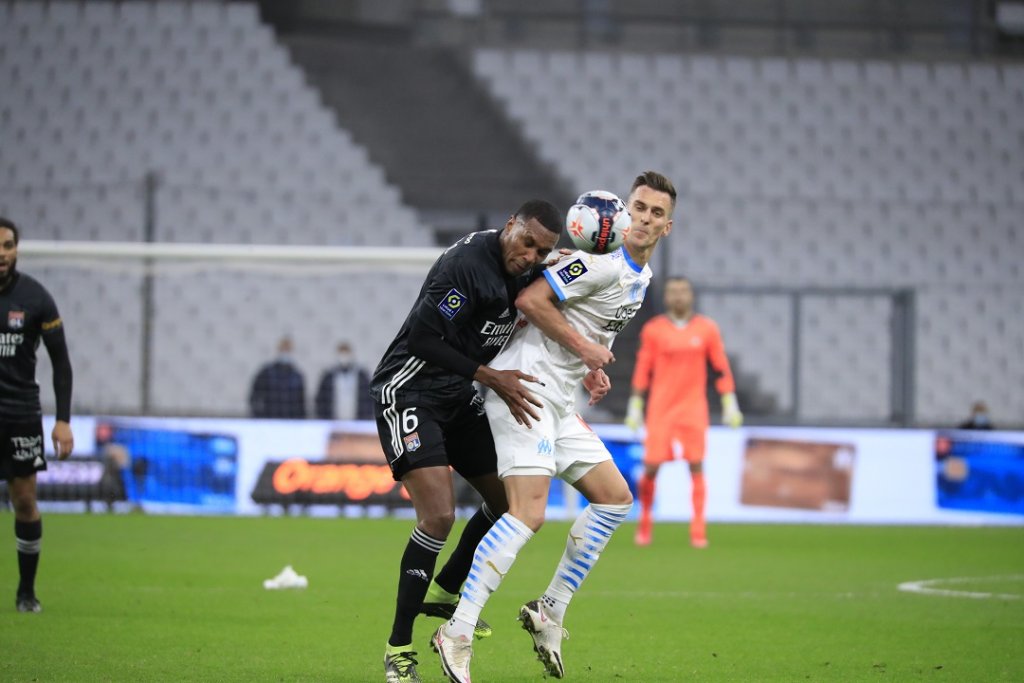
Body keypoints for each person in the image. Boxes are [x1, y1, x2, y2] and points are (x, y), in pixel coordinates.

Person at [430, 171, 676, 683]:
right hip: (526, 389)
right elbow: (530, 302)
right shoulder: (599, 264)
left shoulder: (639, 275)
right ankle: (457, 629)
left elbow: (579, 321)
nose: (644, 218)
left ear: (667, 226)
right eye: (638, 207)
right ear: (623, 212)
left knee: (614, 498)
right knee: (528, 514)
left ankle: (551, 609)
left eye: (656, 212)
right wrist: (586, 349)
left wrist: (587, 364)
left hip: (560, 400)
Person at [373, 200, 563, 683]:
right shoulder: (465, 268)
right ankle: (399, 653)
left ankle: (446, 589)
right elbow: (422, 339)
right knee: (438, 516)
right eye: (527, 243)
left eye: (543, 251)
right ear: (510, 227)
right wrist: (491, 378)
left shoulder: (526, 272)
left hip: (456, 396)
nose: (531, 256)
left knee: (507, 499)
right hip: (409, 391)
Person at [626, 275, 743, 549]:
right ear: (666, 297)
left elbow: (720, 366)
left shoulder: (707, 329)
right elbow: (644, 368)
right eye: (673, 292)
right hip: (661, 408)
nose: (678, 296)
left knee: (696, 464)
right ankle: (644, 523)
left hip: (693, 407)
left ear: (691, 296)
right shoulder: (654, 329)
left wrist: (730, 403)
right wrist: (635, 405)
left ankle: (698, 530)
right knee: (652, 467)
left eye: (683, 291)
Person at [0, 217, 74, 613]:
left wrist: (63, 420)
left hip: (20, 413)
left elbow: (61, 362)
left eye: (8, 245)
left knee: (24, 501)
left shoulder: (36, 298)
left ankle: (26, 592)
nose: (1, 253)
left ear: (16, 249)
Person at [248, 336, 306, 418]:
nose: (285, 352)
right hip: (269, 419)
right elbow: (255, 396)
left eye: (288, 349)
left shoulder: (297, 376)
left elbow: (301, 403)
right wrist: (259, 415)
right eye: (283, 349)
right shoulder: (266, 373)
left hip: (290, 421)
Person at [314, 340, 373, 420]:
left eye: (346, 353)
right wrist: (323, 418)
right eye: (342, 353)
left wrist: (366, 417)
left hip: (358, 422)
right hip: (333, 422)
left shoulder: (361, 376)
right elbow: (321, 399)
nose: (344, 356)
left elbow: (369, 399)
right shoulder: (328, 376)